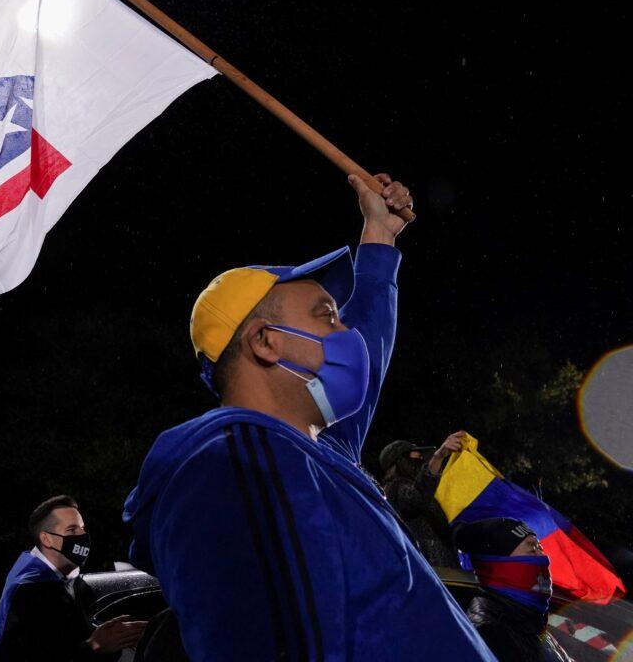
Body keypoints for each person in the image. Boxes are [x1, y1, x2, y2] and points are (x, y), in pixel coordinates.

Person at [123, 173, 496, 660]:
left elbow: (373, 341)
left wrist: (379, 234)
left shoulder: (312, 453)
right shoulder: (233, 463)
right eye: (327, 316)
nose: (349, 334)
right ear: (265, 341)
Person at [0, 495, 144, 662]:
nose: (83, 535)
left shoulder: (63, 581)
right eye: (72, 530)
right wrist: (95, 646)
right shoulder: (31, 591)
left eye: (82, 528)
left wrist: (114, 639)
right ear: (46, 539)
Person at [454, 518, 572, 662]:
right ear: (500, 565)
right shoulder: (490, 634)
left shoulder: (528, 624)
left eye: (540, 548)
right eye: (532, 550)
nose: (542, 557)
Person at [379, 431, 467, 567]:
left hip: (447, 571)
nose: (421, 460)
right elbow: (418, 498)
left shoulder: (424, 491)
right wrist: (438, 458)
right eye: (415, 456)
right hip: (432, 570)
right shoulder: (394, 488)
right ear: (401, 461)